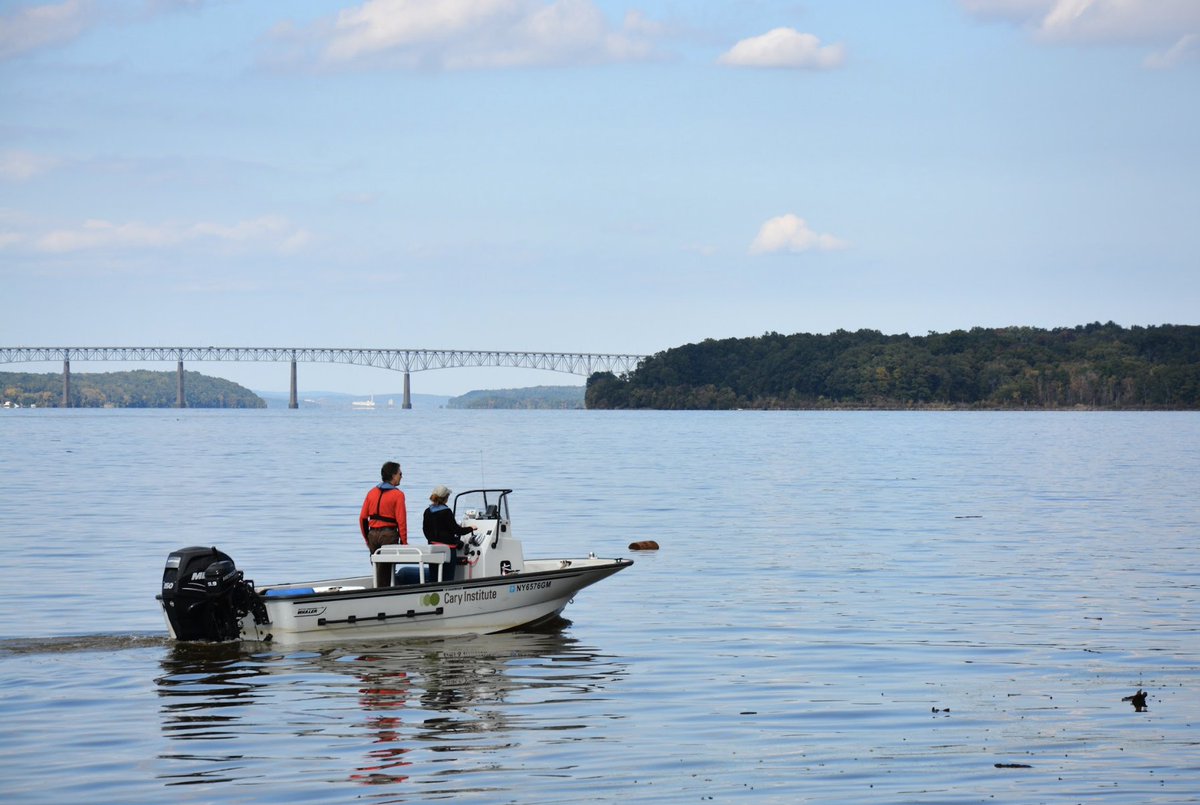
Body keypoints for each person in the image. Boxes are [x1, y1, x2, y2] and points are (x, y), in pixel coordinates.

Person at [423, 485, 475, 581]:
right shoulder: (446, 512)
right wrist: (471, 528)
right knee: (447, 579)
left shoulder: (427, 511)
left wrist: (432, 541)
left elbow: (425, 530)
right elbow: (457, 530)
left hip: (433, 549)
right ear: (446, 498)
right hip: (448, 550)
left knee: (434, 578)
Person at [360, 461, 408, 554]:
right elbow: (401, 521)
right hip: (388, 536)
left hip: (372, 535)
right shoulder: (398, 495)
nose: (401, 476)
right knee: (387, 567)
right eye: (400, 474)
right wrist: (404, 543)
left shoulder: (371, 493)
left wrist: (367, 539)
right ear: (393, 475)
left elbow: (362, 518)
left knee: (376, 566)